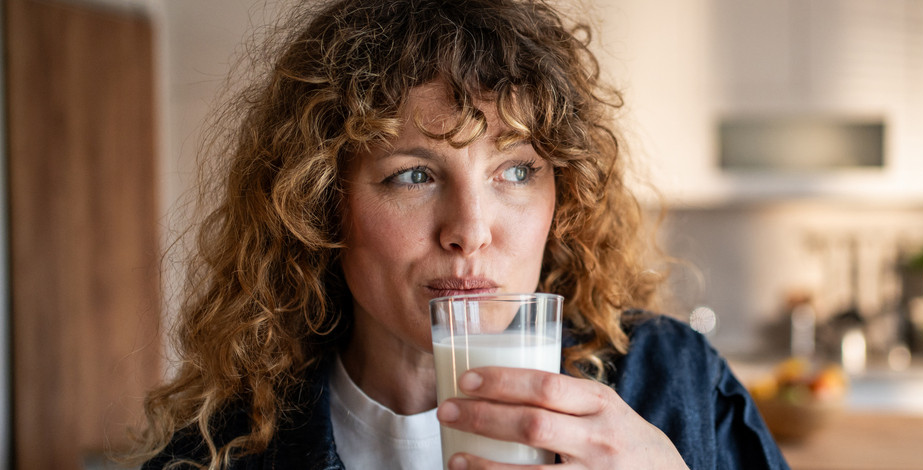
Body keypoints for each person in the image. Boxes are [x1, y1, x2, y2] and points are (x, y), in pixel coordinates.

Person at [132, 0, 789, 469]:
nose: (470, 230)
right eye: (413, 174)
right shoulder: (219, 453)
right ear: (319, 207)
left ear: (562, 196)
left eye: (516, 170)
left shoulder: (674, 383)